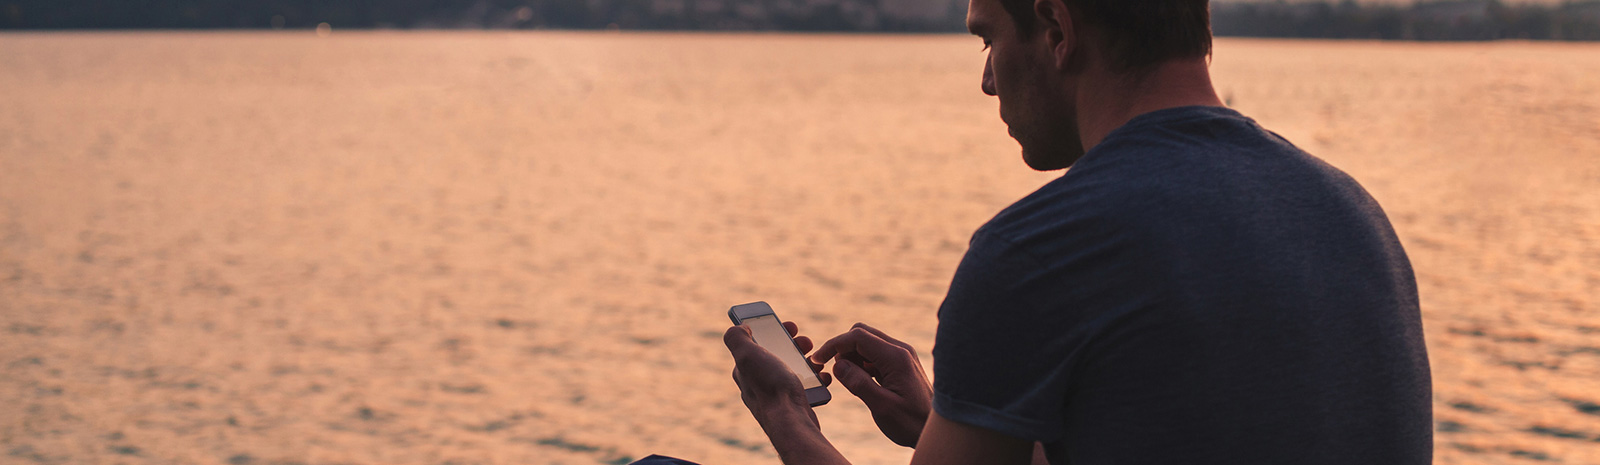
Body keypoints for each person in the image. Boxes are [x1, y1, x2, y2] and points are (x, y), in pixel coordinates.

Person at [721, 0, 1433, 463]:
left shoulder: (1041, 250)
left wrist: (788, 417)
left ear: (1057, 29)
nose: (988, 83)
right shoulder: (1354, 214)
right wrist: (955, 417)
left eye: (987, 41)